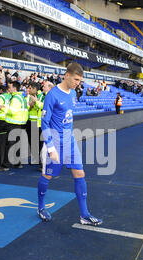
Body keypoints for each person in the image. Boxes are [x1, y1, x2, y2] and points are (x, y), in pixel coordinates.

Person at [37, 62, 102, 225]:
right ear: (67, 75)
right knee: (48, 175)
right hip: (55, 141)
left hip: (70, 141)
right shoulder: (52, 95)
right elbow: (44, 123)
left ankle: (84, 215)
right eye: (76, 79)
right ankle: (40, 207)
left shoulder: (73, 93)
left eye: (80, 80)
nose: (77, 83)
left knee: (80, 174)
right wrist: (51, 148)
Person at [5, 80, 28, 168]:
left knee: (10, 144)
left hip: (14, 122)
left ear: (14, 88)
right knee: (17, 144)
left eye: (10, 87)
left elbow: (12, 111)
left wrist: (3, 108)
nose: (8, 89)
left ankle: (7, 164)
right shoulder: (21, 97)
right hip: (21, 123)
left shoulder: (16, 98)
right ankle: (17, 163)